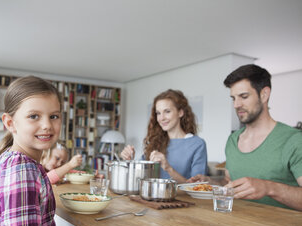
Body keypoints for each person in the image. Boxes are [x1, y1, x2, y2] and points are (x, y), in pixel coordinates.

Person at [188, 64, 302, 210]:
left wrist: (268, 188)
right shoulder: (233, 140)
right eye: (233, 98)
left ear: (264, 94)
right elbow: (229, 182)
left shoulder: (294, 140)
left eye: (244, 96)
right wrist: (210, 182)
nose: (236, 104)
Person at [0, 76, 61, 226]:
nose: (47, 125)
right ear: (10, 123)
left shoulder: (14, 158)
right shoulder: (22, 169)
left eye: (53, 116)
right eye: (34, 116)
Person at [121, 89, 208, 183]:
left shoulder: (197, 144)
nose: (161, 118)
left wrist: (168, 168)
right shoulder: (155, 142)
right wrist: (129, 160)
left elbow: (196, 186)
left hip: (181, 198)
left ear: (180, 113)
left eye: (167, 111)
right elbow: (139, 176)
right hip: (150, 196)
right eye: (158, 113)